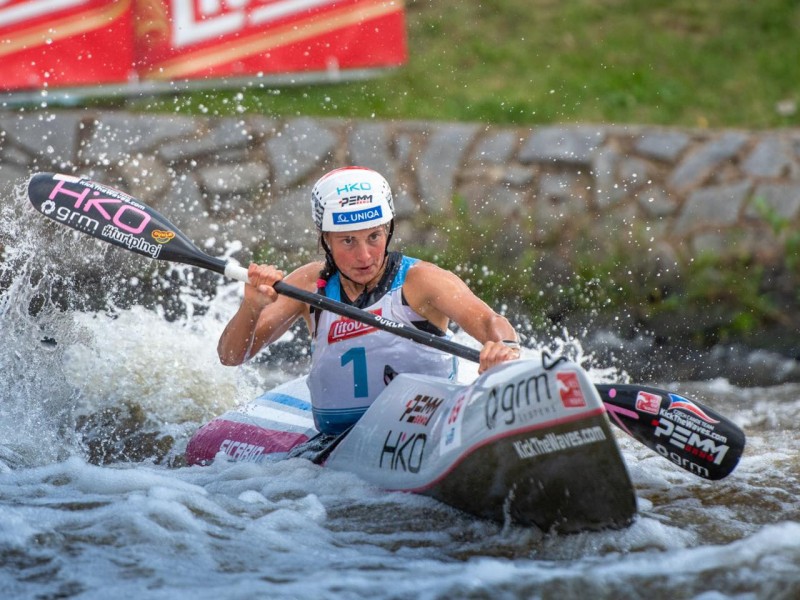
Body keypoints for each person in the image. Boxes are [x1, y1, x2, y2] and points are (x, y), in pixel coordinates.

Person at [218, 166, 521, 436]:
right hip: (337, 443)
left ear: (388, 231)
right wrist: (252, 307)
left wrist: (503, 351)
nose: (364, 256)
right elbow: (232, 356)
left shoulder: (421, 280)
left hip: (424, 432)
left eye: (374, 237)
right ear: (326, 239)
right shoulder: (309, 284)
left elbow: (490, 322)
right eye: (348, 241)